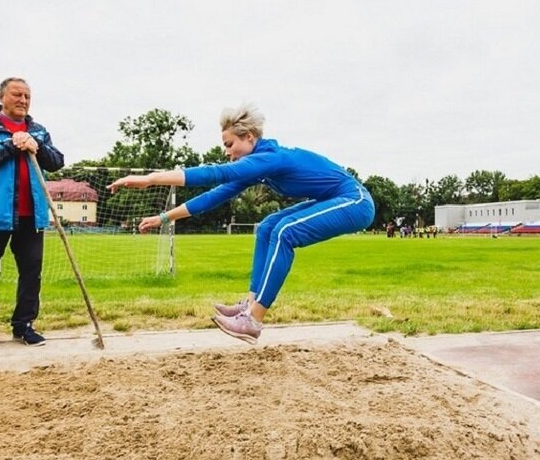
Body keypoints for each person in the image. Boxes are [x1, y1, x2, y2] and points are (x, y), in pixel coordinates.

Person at [108, 104, 375, 344]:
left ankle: (254, 320)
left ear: (249, 137)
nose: (226, 152)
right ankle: (249, 305)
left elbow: (216, 173)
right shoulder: (260, 166)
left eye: (229, 144)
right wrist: (164, 218)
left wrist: (150, 178)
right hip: (334, 199)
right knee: (270, 225)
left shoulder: (271, 158)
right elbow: (214, 196)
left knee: (285, 231)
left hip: (355, 201)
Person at [0, 77, 65, 352]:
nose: (23, 100)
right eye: (17, 94)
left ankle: (24, 325)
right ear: (2, 96)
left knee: (31, 271)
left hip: (31, 215)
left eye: (28, 96)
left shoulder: (37, 130)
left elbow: (57, 161)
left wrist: (35, 147)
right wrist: (11, 145)